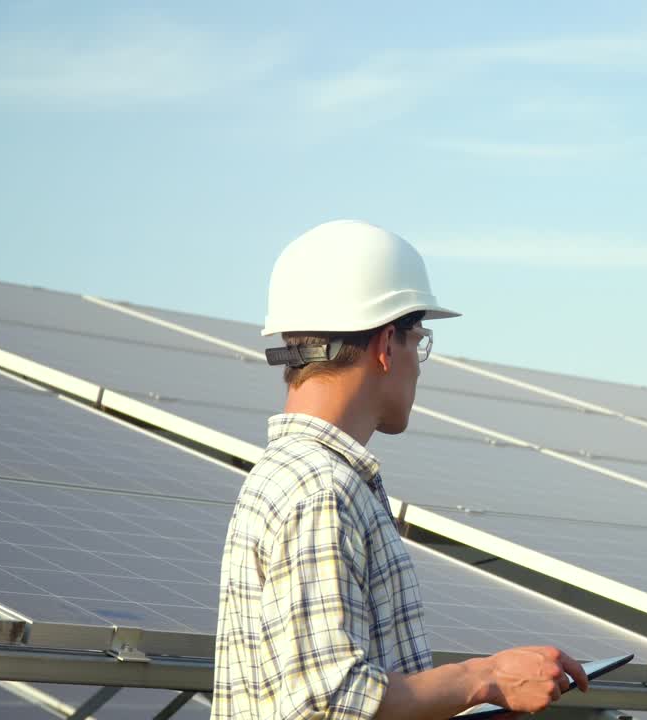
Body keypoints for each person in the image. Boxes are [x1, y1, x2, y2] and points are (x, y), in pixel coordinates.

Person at [212, 220, 588, 719]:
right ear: (388, 344)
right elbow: (330, 703)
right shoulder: (321, 489)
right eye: (420, 340)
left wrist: (474, 697)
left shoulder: (300, 477)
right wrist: (486, 678)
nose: (420, 363)